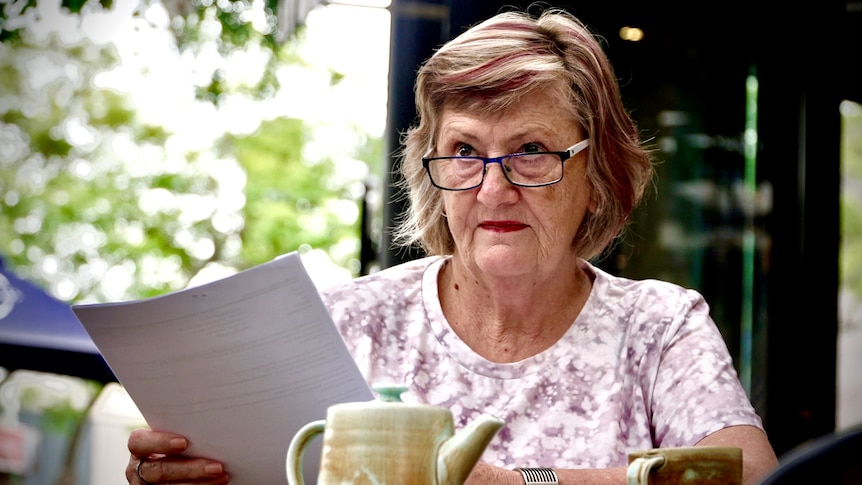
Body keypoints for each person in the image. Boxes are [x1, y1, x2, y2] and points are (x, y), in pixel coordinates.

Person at [127, 7, 779, 485]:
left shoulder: (659, 326)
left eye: (530, 150)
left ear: (597, 173)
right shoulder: (349, 320)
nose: (493, 190)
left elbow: (750, 474)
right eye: (465, 152)